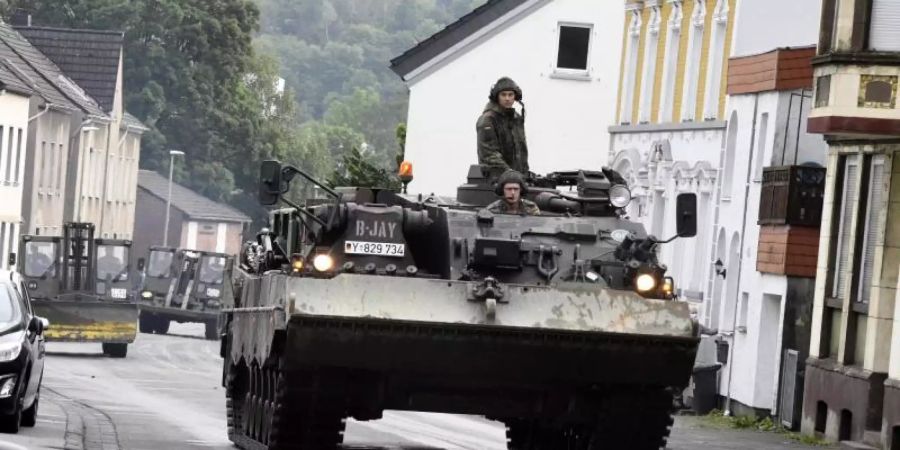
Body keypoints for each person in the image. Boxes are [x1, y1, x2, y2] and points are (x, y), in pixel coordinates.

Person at [476, 77, 529, 174]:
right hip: (496, 179)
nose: (507, 98)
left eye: (510, 95)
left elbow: (521, 152)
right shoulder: (488, 120)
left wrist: (525, 174)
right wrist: (510, 174)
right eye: (503, 95)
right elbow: (489, 155)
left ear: (515, 97)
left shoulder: (516, 118)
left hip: (517, 179)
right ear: (497, 97)